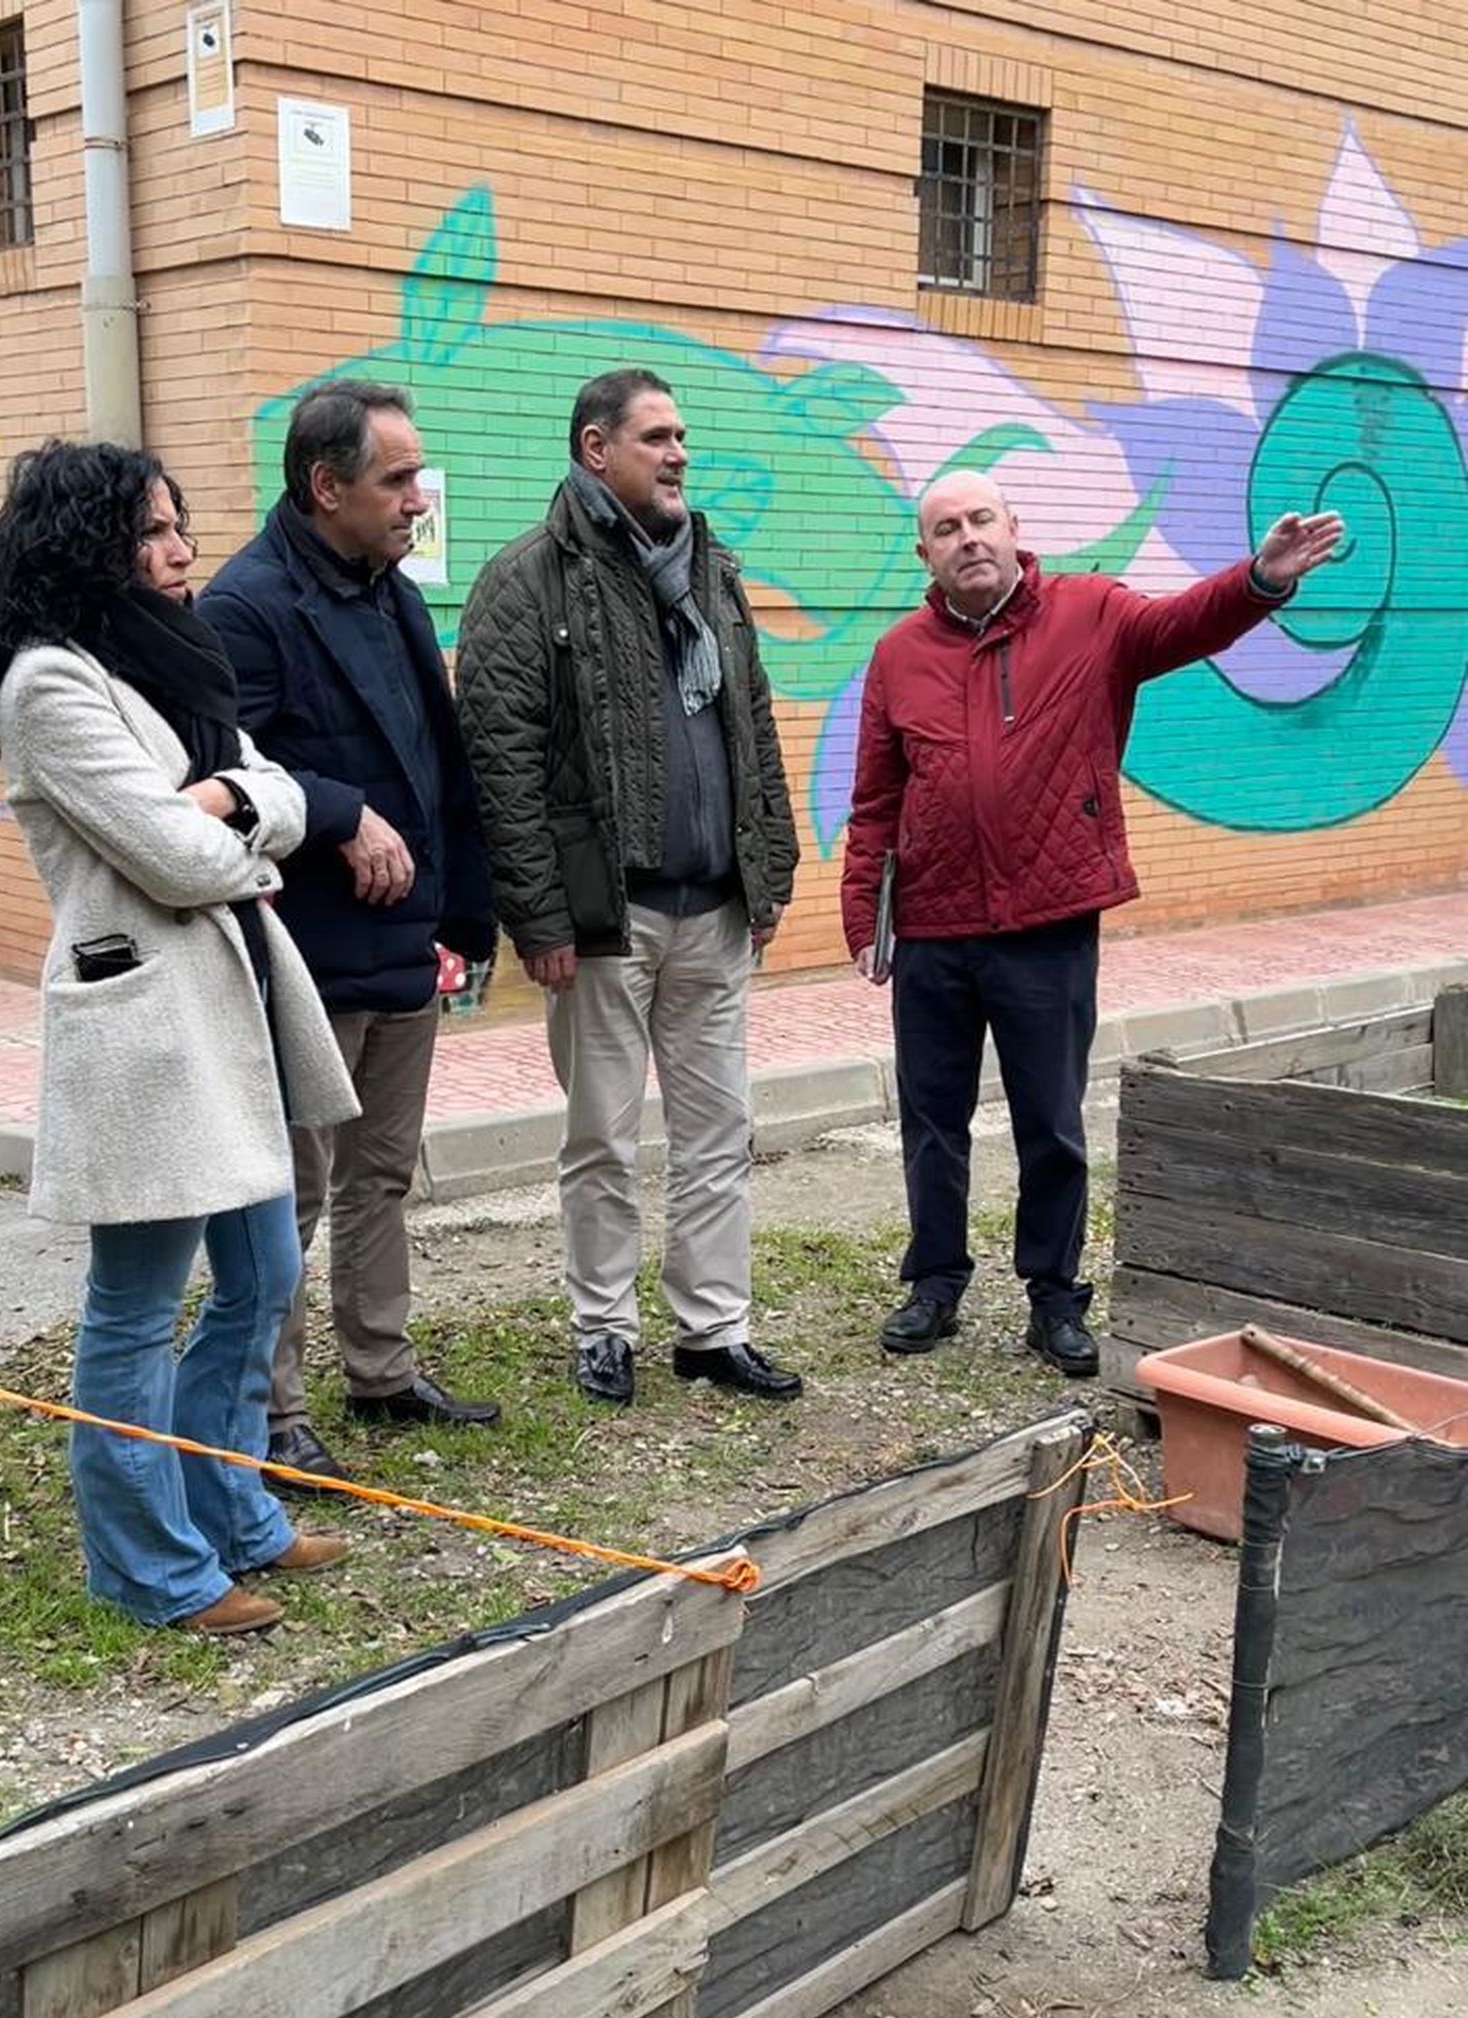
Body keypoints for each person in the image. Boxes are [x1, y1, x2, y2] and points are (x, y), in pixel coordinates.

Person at [0, 440, 360, 1635]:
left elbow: (277, 791)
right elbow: (178, 863)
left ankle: (230, 1513)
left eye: (181, 526)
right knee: (134, 1307)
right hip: (145, 1030)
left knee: (265, 1272)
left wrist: (229, 799)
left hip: (229, 1005)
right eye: (153, 532)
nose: (182, 551)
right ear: (86, 546)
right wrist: (242, 827)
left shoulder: (172, 657)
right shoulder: (50, 684)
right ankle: (146, 1565)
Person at [842, 471, 1344, 1377]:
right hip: (932, 928)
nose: (968, 538)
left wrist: (1260, 579)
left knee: (1050, 1121)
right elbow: (877, 797)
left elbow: (1185, 624)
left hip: (1047, 923)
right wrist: (862, 916)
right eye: (947, 529)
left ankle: (1053, 1298)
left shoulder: (1092, 614)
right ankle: (935, 1283)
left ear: (1014, 528)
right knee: (932, 1120)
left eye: (982, 519)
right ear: (926, 554)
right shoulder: (897, 655)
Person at [455, 367, 803, 1406]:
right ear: (596, 449)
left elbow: (752, 726)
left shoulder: (711, 573)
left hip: (715, 909)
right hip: (606, 918)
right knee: (602, 1138)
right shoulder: (528, 578)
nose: (678, 454)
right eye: (656, 437)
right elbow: (501, 761)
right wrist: (539, 917)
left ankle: (713, 1329)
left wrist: (769, 871)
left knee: (718, 1133)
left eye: (681, 436)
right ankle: (603, 1329)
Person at [200, 381, 500, 1488]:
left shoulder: (394, 593)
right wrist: (339, 813)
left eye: (417, 476)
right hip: (307, 958)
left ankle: (380, 1370)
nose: (418, 498)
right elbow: (224, 773)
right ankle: (270, 1413)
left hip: (404, 948)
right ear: (327, 486)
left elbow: (442, 764)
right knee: (293, 1193)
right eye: (398, 478)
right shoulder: (245, 605)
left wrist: (465, 916)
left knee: (382, 1176)